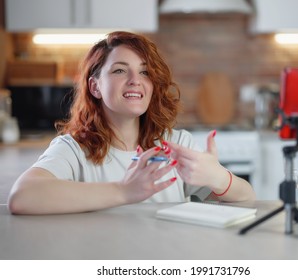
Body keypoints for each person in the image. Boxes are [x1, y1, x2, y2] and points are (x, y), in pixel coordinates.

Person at [8, 31, 255, 215]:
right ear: (95, 87)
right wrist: (123, 192)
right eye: (119, 70)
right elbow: (22, 197)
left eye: (145, 72)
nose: (136, 80)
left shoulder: (176, 143)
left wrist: (219, 177)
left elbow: (247, 199)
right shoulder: (73, 149)